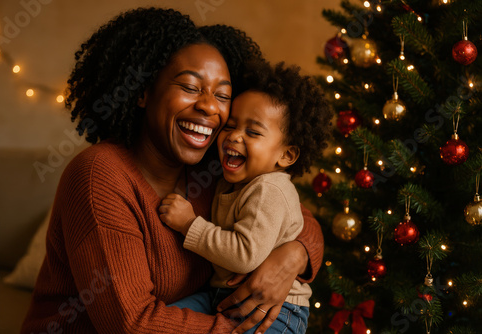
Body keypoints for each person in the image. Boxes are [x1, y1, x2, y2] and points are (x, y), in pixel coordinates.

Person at [21, 7, 324, 334]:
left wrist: (293, 256)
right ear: (143, 92)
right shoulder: (100, 175)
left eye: (222, 95)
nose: (209, 106)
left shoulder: (216, 168)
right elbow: (131, 325)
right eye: (191, 87)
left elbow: (295, 215)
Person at [159, 61, 332, 333]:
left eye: (252, 132)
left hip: (278, 310)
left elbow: (244, 255)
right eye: (230, 126)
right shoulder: (231, 179)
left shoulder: (269, 189)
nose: (234, 137)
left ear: (286, 155)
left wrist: (188, 224)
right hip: (223, 297)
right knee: (165, 320)